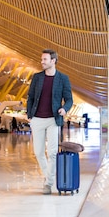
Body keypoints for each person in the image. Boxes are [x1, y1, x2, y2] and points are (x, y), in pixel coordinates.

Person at [26, 49, 73, 194]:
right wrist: (30, 116)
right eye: (41, 59)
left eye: (45, 59)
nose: (42, 62)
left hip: (53, 119)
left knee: (52, 153)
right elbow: (31, 97)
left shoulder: (63, 78)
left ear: (53, 61)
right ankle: (48, 176)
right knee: (38, 152)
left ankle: (48, 183)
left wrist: (64, 109)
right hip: (37, 119)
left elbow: (69, 99)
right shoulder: (37, 77)